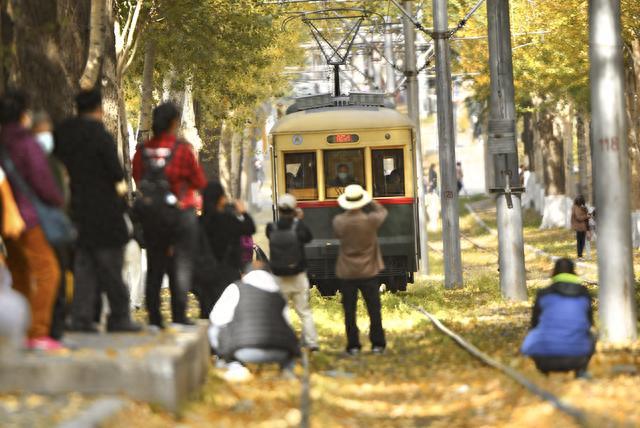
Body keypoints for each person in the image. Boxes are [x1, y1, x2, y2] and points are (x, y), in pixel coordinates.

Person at [55, 89, 140, 333]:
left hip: (77, 209)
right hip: (105, 211)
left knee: (84, 266)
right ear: (98, 109)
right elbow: (115, 173)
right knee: (111, 266)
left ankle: (81, 318)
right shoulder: (99, 135)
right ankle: (119, 317)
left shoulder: (64, 133)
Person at [132, 102, 206, 329]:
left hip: (153, 217)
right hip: (180, 215)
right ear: (174, 122)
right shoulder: (182, 150)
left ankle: (154, 318)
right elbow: (199, 182)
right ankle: (179, 315)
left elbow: (138, 179)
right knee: (181, 266)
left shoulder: (142, 152)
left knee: (155, 264)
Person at [1, 91, 64, 350]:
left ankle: (20, 330)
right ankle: (37, 331)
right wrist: (56, 199)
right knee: (48, 271)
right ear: (23, 114)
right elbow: (42, 181)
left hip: (6, 219)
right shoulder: (26, 143)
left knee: (19, 273)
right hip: (28, 217)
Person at [209, 262, 300, 379]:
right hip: (280, 352)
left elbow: (217, 319)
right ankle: (287, 369)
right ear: (270, 274)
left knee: (214, 329)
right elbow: (287, 323)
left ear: (244, 275)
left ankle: (233, 365)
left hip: (243, 351)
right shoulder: (279, 292)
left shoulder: (236, 287)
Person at [333, 184, 387, 355]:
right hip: (369, 271)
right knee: (374, 309)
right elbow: (383, 212)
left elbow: (337, 234)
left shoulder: (339, 221)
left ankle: (353, 346)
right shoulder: (371, 220)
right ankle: (377, 344)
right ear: (361, 201)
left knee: (349, 311)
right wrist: (370, 201)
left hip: (347, 272)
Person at [521, 258, 595, 378]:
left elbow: (534, 324)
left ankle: (543, 372)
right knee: (592, 335)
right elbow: (590, 323)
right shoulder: (583, 293)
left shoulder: (544, 293)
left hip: (545, 359)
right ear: (573, 272)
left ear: (554, 272)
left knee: (532, 335)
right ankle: (581, 371)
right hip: (577, 358)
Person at [32, 111, 70, 341]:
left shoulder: (54, 161)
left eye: (48, 132)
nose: (46, 137)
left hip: (55, 226)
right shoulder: (33, 160)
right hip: (40, 226)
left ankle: (54, 330)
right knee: (50, 276)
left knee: (58, 278)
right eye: (42, 132)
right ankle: (43, 330)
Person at [267, 194, 319, 351]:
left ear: (280, 210)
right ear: (294, 209)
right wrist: (299, 220)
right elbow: (308, 238)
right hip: (298, 275)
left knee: (282, 311)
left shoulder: (271, 227)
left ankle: (285, 342)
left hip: (279, 277)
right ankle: (312, 343)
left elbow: (270, 237)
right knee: (304, 312)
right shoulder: (298, 227)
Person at [201, 181, 256, 310]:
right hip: (228, 272)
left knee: (209, 311)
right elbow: (250, 228)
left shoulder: (200, 222)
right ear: (220, 199)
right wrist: (243, 212)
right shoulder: (228, 220)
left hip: (206, 275)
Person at [570, 195, 590, 260]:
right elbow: (579, 218)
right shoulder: (575, 207)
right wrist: (586, 216)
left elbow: (584, 215)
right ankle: (579, 256)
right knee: (580, 242)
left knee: (582, 242)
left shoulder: (582, 207)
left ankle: (580, 255)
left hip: (583, 227)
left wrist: (587, 213)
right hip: (579, 227)